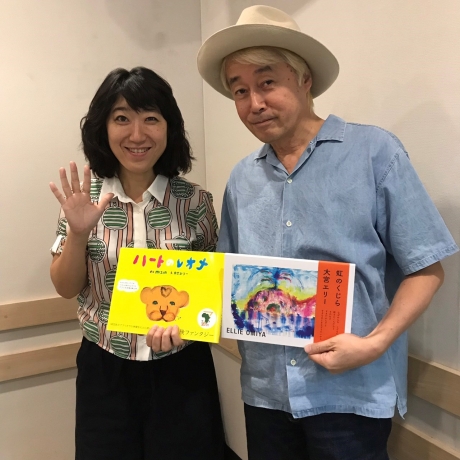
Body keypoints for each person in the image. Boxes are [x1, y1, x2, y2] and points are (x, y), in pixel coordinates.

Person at [197, 5, 458, 460]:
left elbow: (426, 269)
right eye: (239, 91)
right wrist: (176, 319)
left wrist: (374, 344)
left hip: (350, 393)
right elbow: (227, 278)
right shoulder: (242, 178)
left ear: (304, 79)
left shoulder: (374, 153)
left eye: (267, 82)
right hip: (266, 393)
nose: (254, 103)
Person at [49, 66, 225, 460]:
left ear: (169, 127)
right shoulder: (84, 199)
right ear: (103, 126)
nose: (137, 134)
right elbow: (65, 287)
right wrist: (78, 232)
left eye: (151, 118)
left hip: (182, 367)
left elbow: (211, 287)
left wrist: (190, 324)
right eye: (122, 118)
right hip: (105, 368)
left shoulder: (195, 202)